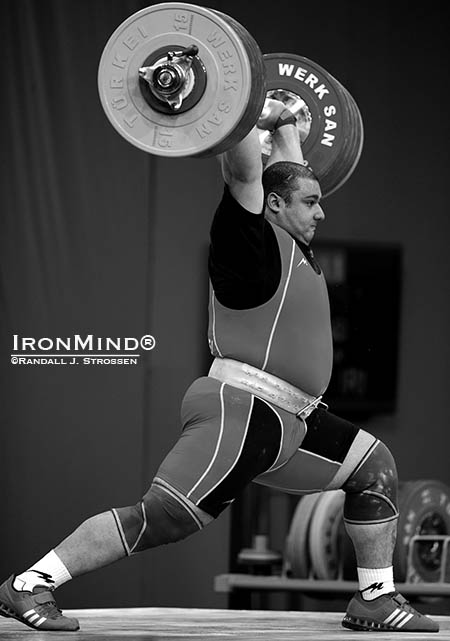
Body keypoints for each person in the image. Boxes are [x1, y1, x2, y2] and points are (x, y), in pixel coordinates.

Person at [0, 100, 439, 634]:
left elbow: (285, 172)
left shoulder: (295, 245)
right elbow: (243, 171)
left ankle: (375, 597)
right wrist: (242, 105)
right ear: (272, 205)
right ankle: (29, 583)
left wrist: (283, 127)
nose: (322, 211)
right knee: (162, 519)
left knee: (375, 470)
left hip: (292, 421)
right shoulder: (247, 242)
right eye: (311, 202)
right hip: (244, 409)